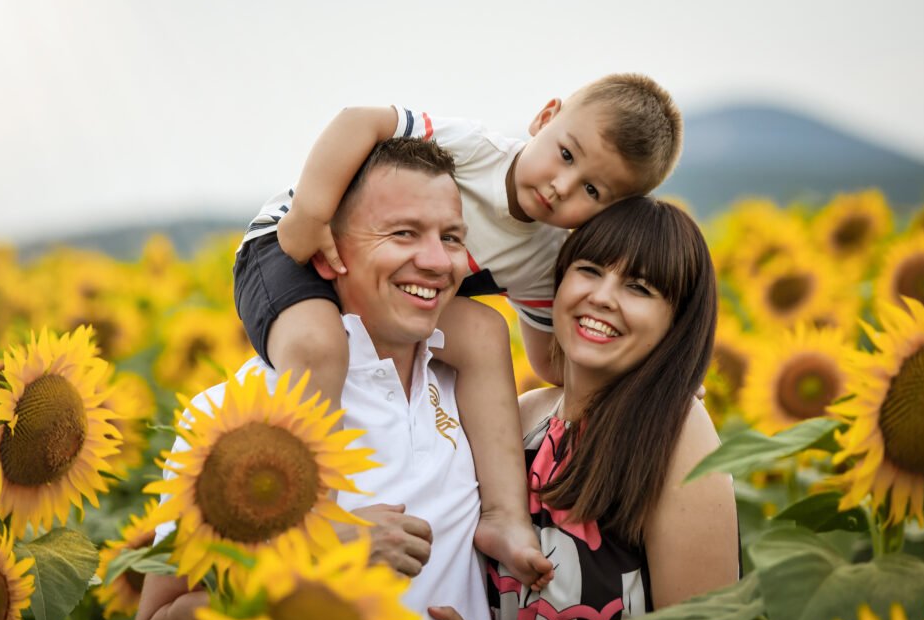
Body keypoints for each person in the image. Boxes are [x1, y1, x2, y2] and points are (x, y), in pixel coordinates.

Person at [235, 74, 684, 588]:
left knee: (487, 335)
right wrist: (311, 213)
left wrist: (653, 363)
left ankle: (503, 516)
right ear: (545, 117)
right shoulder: (477, 150)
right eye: (566, 154)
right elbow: (360, 120)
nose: (562, 186)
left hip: (392, 289)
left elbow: (547, 362)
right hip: (295, 247)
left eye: (592, 190)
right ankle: (315, 518)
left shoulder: (543, 257)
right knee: (319, 345)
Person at [135, 138, 497, 620]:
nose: (438, 261)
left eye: (452, 238)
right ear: (330, 256)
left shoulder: (478, 395)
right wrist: (318, 552)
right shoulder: (230, 417)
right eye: (403, 233)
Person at [430, 197, 740, 620]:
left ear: (678, 322)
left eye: (639, 288)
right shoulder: (521, 416)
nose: (601, 297)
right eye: (590, 270)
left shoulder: (677, 434)